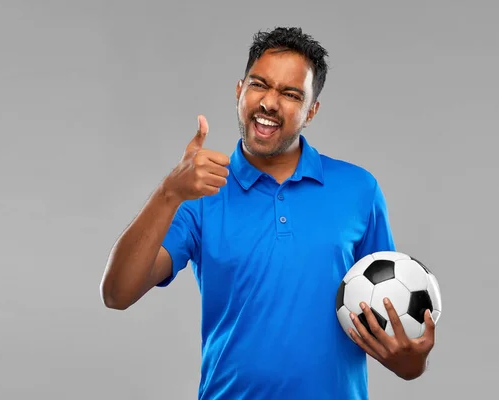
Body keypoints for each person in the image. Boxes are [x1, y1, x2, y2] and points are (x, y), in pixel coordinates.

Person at [100, 26, 436, 400]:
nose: (269, 103)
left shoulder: (359, 189)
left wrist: (412, 364)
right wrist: (168, 193)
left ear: (311, 111)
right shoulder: (198, 193)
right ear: (239, 90)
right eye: (259, 85)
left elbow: (388, 320)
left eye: (291, 94)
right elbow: (118, 293)